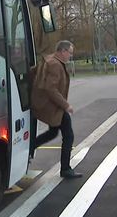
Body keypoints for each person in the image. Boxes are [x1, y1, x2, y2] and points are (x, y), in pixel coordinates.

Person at [30, 40, 82, 179]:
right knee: (68, 136)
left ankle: (30, 147)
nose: (70, 56)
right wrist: (66, 105)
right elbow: (50, 88)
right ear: (63, 51)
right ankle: (65, 169)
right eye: (69, 53)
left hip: (49, 105)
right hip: (53, 107)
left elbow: (33, 73)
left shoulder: (50, 60)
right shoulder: (55, 65)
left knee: (53, 132)